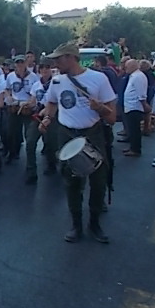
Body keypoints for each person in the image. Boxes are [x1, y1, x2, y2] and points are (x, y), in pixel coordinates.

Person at [39, 42, 116, 244]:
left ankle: (94, 223)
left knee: (98, 182)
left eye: (58, 59)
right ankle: (76, 224)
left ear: (71, 58)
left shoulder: (99, 79)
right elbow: (52, 102)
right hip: (67, 135)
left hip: (92, 135)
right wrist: (47, 118)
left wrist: (100, 108)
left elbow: (112, 118)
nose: (55, 63)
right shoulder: (57, 81)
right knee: (71, 182)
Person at [25, 58, 57, 183]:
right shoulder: (36, 85)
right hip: (38, 115)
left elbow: (57, 102)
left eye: (47, 67)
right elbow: (33, 101)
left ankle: (52, 165)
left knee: (51, 144)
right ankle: (31, 172)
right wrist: (26, 104)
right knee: (30, 142)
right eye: (42, 67)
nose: (44, 70)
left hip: (52, 116)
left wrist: (47, 110)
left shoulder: (56, 83)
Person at [4, 54, 39, 163]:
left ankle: (29, 158)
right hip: (15, 106)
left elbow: (37, 91)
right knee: (11, 132)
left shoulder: (33, 77)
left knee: (29, 134)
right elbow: (7, 89)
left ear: (26, 63)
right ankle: (13, 153)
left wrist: (30, 103)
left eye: (22, 62)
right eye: (17, 63)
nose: (20, 65)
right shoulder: (10, 76)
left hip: (27, 107)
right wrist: (9, 97)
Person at [121, 60, 149, 157]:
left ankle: (135, 149)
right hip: (130, 106)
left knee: (135, 129)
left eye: (127, 66)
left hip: (135, 107)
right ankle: (132, 147)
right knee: (132, 129)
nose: (125, 68)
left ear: (133, 66)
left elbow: (141, 93)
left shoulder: (138, 77)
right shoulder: (134, 76)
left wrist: (144, 105)